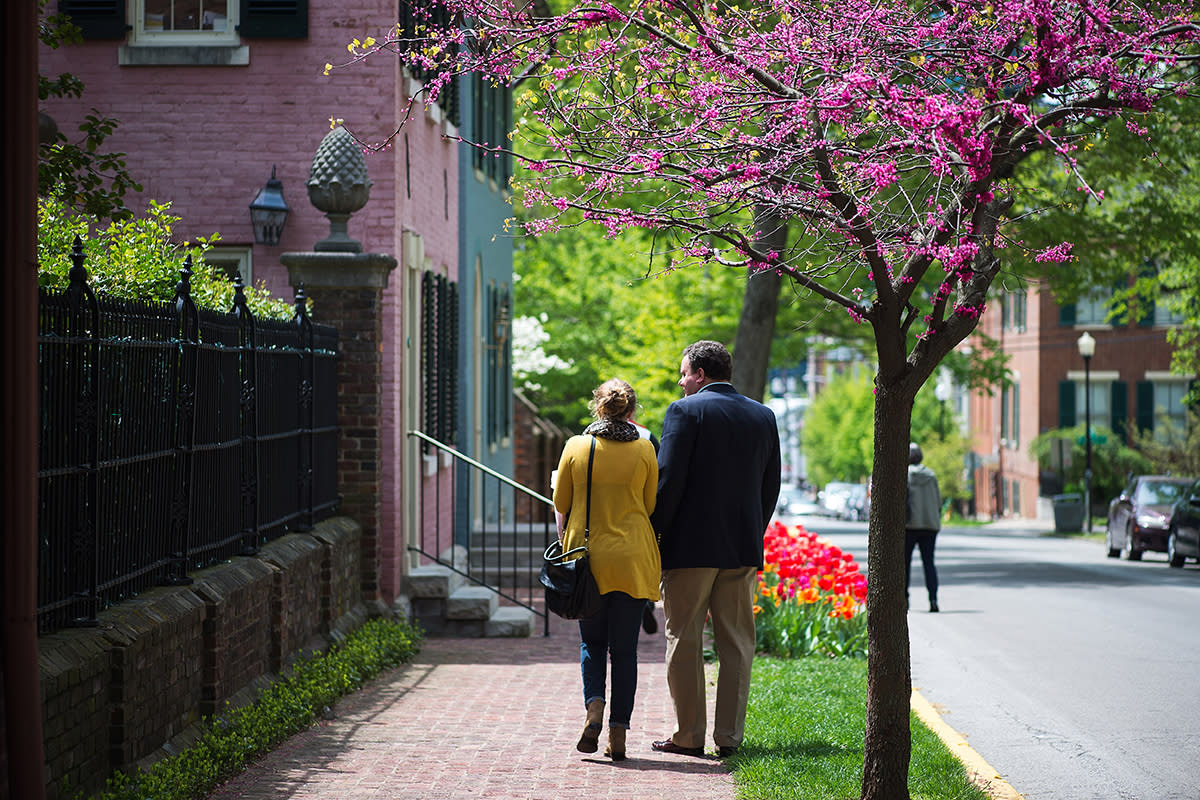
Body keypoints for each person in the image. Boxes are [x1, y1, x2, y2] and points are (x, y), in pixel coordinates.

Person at [649, 340, 781, 759]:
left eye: (684, 373)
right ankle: (729, 737)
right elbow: (770, 485)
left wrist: (656, 536)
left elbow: (668, 481)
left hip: (690, 547)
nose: (680, 381)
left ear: (700, 375)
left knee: (684, 638)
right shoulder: (764, 415)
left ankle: (688, 736)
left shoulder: (684, 411)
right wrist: (751, 530)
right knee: (738, 642)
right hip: (741, 547)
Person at [552, 378, 661, 762]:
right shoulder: (646, 449)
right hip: (632, 558)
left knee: (592, 644)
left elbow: (561, 501)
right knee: (625, 650)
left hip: (589, 560)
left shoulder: (576, 447)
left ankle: (594, 706)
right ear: (631, 411)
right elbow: (649, 504)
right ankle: (619, 734)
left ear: (597, 407)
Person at [629, 411, 661, 636]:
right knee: (639, 565)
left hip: (600, 520)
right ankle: (643, 603)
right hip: (639, 515)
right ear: (631, 410)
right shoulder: (647, 437)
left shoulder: (587, 438)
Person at [906, 442, 942, 613]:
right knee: (929, 563)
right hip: (930, 525)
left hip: (910, 526)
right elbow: (938, 501)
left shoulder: (905, 476)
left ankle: (904, 600)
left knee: (904, 564)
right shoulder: (931, 475)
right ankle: (933, 599)